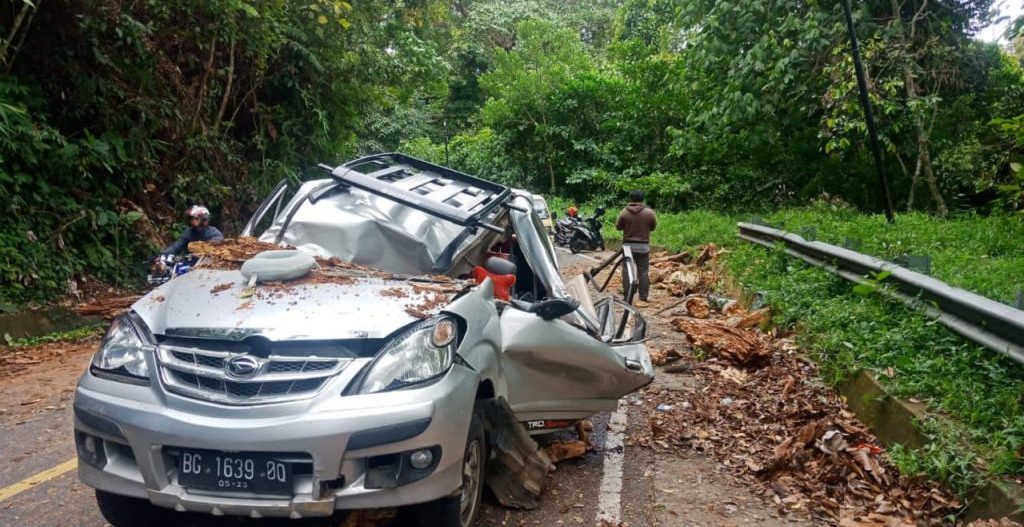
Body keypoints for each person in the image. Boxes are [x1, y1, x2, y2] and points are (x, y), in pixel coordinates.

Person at [615, 190, 656, 307]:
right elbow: (653, 227)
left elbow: (618, 227)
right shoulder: (649, 213)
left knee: (627, 271)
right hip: (643, 247)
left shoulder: (623, 212)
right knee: (643, 272)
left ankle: (627, 297)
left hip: (628, 247)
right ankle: (643, 297)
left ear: (630, 199)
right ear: (642, 199)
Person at [160, 205, 224, 257]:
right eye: (191, 218)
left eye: (196, 218)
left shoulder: (214, 233)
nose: (193, 221)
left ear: (204, 219)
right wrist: (162, 255)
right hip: (189, 263)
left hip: (207, 264)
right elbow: (176, 246)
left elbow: (216, 246)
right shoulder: (188, 232)